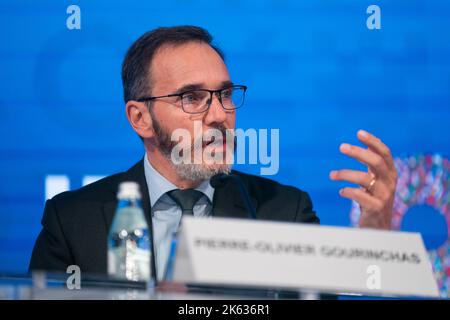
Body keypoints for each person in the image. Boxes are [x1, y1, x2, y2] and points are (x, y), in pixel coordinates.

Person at [29, 26, 398, 282]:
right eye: (192, 98)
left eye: (224, 94)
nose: (220, 114)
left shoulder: (283, 211)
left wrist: (372, 241)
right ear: (140, 118)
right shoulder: (73, 220)